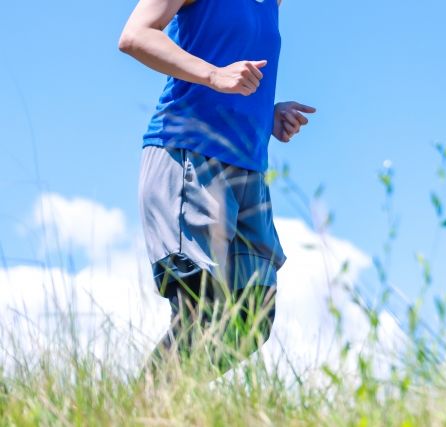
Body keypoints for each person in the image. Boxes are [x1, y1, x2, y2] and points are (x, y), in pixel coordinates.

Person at [118, 0, 315, 369]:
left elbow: (233, 64)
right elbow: (135, 35)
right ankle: (146, 403)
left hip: (249, 171)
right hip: (189, 155)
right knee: (200, 312)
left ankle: (166, 398)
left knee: (252, 319)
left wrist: (267, 113)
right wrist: (214, 75)